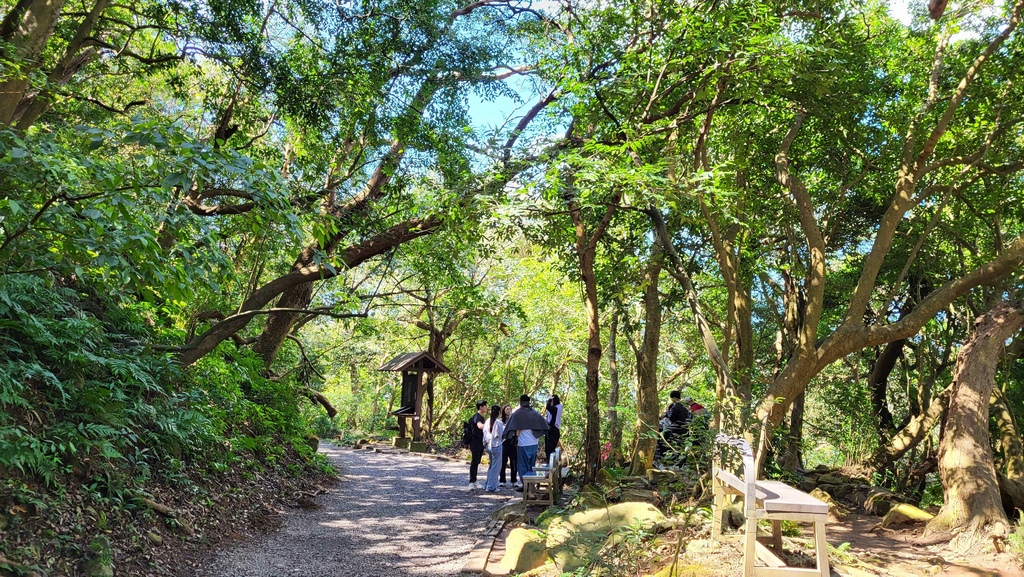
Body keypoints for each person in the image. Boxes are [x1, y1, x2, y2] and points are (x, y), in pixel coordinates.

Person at [503, 394, 547, 490]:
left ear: (520, 402)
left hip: (523, 444)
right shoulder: (535, 413)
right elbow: (545, 425)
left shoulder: (517, 414)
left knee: (522, 465)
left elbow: (508, 428)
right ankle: (531, 485)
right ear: (529, 402)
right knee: (532, 466)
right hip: (534, 443)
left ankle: (526, 485)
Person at [656, 390, 690, 462]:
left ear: (674, 398)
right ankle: (681, 460)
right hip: (685, 428)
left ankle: (664, 456)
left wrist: (665, 417)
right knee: (681, 444)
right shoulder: (684, 406)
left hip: (676, 428)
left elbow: (672, 418)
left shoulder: (675, 406)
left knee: (665, 438)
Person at [482, 404, 505, 492]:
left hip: (488, 445)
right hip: (496, 445)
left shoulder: (487, 421)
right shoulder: (498, 422)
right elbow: (501, 435)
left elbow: (484, 433)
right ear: (499, 412)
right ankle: (491, 486)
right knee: (496, 467)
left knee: (491, 466)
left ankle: (487, 483)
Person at [467, 400, 488, 489]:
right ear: (481, 407)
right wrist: (490, 426)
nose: (487, 407)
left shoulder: (481, 417)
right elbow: (480, 426)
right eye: (485, 406)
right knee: (474, 462)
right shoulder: (477, 417)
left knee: (477, 461)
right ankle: (471, 482)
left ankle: (474, 481)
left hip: (479, 443)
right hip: (475, 442)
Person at [499, 404, 517, 488]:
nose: (509, 410)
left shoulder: (514, 420)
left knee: (513, 462)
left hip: (512, 442)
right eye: (507, 409)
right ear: (504, 411)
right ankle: (502, 480)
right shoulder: (500, 421)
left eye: (510, 409)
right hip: (503, 442)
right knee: (503, 462)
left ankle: (514, 480)